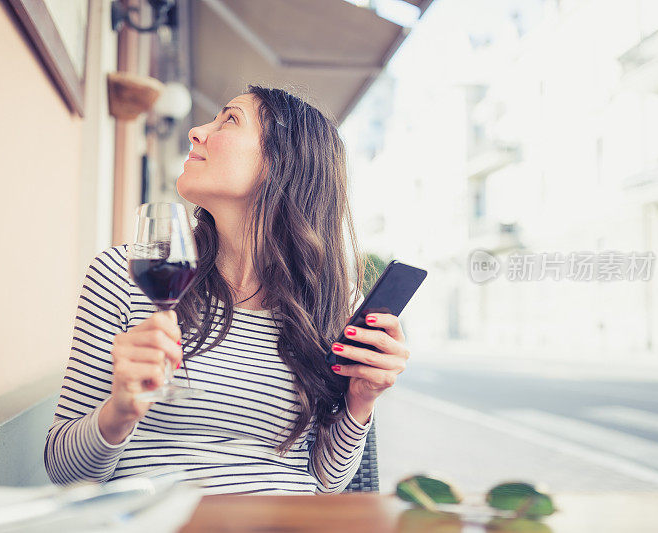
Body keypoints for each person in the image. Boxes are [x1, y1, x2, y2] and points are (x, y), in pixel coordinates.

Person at [44, 85, 411, 494]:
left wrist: (360, 403)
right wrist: (121, 410)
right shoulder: (124, 275)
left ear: (280, 163)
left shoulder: (330, 305)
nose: (196, 132)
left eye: (229, 120)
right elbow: (65, 472)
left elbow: (326, 485)